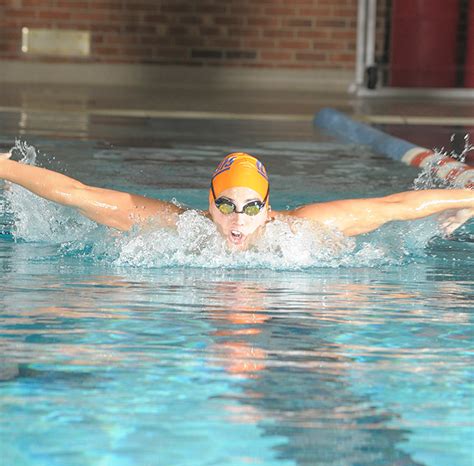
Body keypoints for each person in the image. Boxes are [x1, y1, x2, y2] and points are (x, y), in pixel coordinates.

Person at [1, 151, 473, 250]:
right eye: (225, 205)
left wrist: (468, 197)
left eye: (251, 207)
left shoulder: (304, 229)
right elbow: (76, 193)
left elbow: (396, 206)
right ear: (207, 204)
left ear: (268, 209)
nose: (237, 219)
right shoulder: (174, 225)